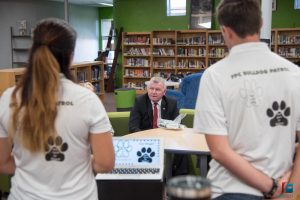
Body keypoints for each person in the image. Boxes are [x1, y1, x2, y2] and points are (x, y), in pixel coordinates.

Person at [193, 0, 300, 199]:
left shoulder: (215, 75)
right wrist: (288, 191)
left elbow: (219, 151)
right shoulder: (295, 74)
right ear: (260, 23)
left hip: (230, 190)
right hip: (282, 189)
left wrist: (271, 187)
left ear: (225, 31)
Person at [0, 18, 115, 200]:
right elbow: (105, 163)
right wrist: (73, 162)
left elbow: (3, 162)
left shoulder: (9, 98)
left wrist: (35, 167)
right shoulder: (87, 100)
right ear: (70, 56)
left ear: (33, 51)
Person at [129, 76, 188, 175]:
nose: (153, 92)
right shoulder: (140, 101)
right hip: (147, 140)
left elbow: (178, 123)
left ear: (164, 92)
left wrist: (177, 127)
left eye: (157, 89)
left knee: (182, 149)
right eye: (151, 89)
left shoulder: (171, 103)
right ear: (147, 89)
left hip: (167, 139)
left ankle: (179, 179)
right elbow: (132, 126)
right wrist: (147, 139)